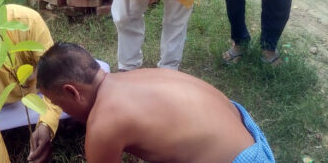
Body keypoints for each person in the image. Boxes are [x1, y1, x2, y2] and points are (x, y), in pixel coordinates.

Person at [36, 42, 275, 162]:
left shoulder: (103, 125)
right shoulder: (131, 78)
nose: (61, 110)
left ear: (72, 92)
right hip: (251, 140)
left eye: (58, 103)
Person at [0, 1, 111, 162]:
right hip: (3, 105)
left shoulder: (26, 21)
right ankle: (64, 113)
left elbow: (55, 77)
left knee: (97, 76)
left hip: (42, 90)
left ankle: (60, 114)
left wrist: (46, 125)